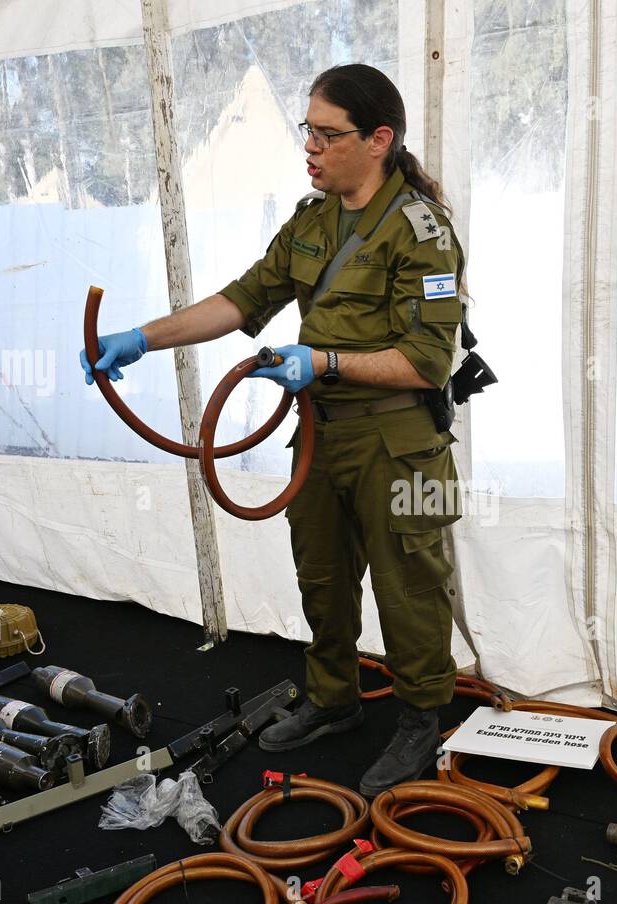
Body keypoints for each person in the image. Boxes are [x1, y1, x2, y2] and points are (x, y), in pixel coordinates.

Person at [80, 64, 465, 797]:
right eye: (308, 131)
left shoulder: (422, 229)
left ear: (379, 139)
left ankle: (420, 722)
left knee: (409, 586)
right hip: (320, 436)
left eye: (328, 134)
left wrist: (322, 357)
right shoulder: (314, 218)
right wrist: (141, 337)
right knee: (321, 576)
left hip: (396, 445)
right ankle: (334, 698)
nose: (311, 148)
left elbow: (426, 360)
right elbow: (245, 298)